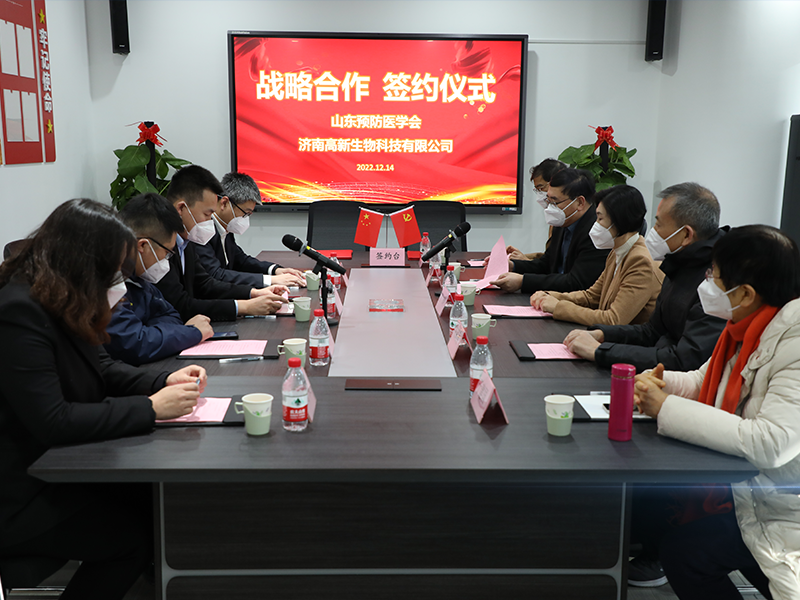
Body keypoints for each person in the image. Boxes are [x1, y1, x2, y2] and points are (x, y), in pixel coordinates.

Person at [0, 199, 207, 600]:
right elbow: (54, 420)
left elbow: (104, 367)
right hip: (23, 489)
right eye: (110, 270)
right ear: (83, 262)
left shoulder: (59, 295)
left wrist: (163, 379)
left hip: (61, 467)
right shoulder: (19, 312)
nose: (117, 281)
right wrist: (151, 408)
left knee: (157, 502)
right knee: (132, 539)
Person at [632, 225, 800, 599]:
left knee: (686, 553)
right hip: (752, 492)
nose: (707, 284)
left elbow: (772, 443)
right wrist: (660, 383)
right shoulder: (749, 326)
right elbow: (703, 380)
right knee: (675, 537)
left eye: (715, 277)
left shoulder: (793, 343)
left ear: (746, 293)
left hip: (783, 509)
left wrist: (666, 407)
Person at [563, 182, 728, 370]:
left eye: (659, 224)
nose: (652, 231)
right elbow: (652, 331)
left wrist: (600, 351)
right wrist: (603, 334)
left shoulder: (718, 281)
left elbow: (684, 359)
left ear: (686, 235)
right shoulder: (680, 262)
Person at [155, 165, 288, 321]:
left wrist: (254, 293)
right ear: (181, 208)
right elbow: (181, 305)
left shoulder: (186, 242)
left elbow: (206, 284)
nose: (209, 221)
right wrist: (244, 306)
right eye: (207, 214)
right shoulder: (159, 247)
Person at [528, 184, 662, 326]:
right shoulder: (617, 251)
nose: (595, 224)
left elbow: (613, 319)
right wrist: (552, 296)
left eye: (600, 219)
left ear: (619, 221)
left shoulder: (640, 261)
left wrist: (558, 307)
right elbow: (591, 296)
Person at [105, 192, 214, 366]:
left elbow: (171, 315)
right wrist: (192, 332)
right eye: (167, 252)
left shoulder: (139, 278)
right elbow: (134, 344)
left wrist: (149, 332)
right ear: (143, 245)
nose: (167, 260)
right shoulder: (109, 282)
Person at [490, 168, 608, 294]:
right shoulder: (563, 221)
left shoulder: (597, 232)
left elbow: (576, 282)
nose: (550, 208)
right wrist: (513, 265)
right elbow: (547, 264)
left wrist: (522, 281)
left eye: (555, 202)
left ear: (579, 202)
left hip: (575, 300)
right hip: (553, 295)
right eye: (548, 201)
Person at [194, 171, 305, 288]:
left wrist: (274, 270)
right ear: (224, 203)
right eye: (245, 213)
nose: (245, 219)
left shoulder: (225, 228)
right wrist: (270, 280)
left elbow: (240, 260)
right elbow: (216, 275)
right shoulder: (202, 231)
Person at [505, 158, 565, 261]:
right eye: (537, 190)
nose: (539, 195)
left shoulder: (567, 217)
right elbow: (550, 257)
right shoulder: (554, 217)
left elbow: (558, 265)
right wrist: (518, 257)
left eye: (541, 188)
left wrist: (525, 261)